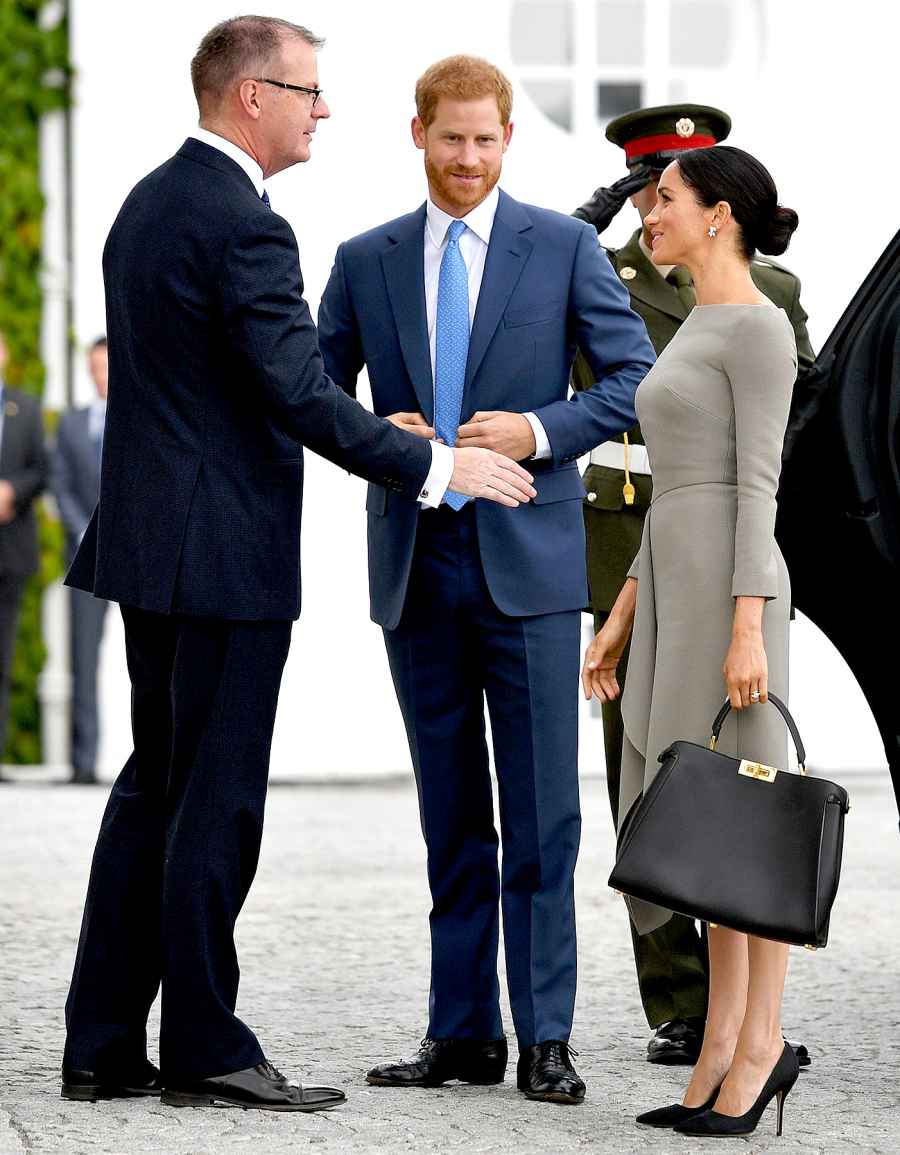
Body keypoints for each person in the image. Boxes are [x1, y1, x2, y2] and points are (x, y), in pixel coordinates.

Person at [60, 18, 534, 1114]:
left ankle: (102, 1044)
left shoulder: (151, 200)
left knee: (154, 792)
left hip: (150, 549)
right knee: (213, 804)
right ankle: (208, 1049)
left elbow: (249, 371)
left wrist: (366, 416)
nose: (324, 109)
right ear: (249, 98)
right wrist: (431, 462)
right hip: (221, 557)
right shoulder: (247, 225)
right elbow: (292, 392)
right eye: (309, 91)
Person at [317, 55, 655, 1106]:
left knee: (547, 812)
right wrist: (382, 435)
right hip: (417, 560)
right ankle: (462, 1034)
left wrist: (547, 428)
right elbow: (313, 391)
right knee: (452, 811)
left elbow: (639, 377)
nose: (468, 159)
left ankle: (546, 1035)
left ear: (508, 142)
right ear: (416, 133)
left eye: (486, 140)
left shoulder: (559, 247)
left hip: (533, 564)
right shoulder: (364, 259)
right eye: (451, 138)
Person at [572, 104, 814, 1067]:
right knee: (666, 801)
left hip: (727, 577)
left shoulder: (759, 310)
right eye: (644, 187)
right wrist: (626, 612)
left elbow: (763, 469)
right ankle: (705, 1030)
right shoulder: (643, 285)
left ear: (715, 210)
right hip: (657, 567)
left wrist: (749, 619)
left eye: (665, 191)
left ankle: (749, 1051)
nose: (647, 204)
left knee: (738, 808)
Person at [52, 336, 109, 784]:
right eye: (94, 366)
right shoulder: (71, 425)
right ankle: (84, 761)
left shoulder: (144, 417)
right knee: (82, 661)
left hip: (140, 554)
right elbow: (61, 485)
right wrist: (83, 530)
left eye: (106, 366)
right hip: (87, 557)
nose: (99, 374)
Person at [0, 328, 47, 781]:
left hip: (10, 551)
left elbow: (42, 469)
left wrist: (12, 489)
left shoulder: (25, 408)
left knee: (3, 656)